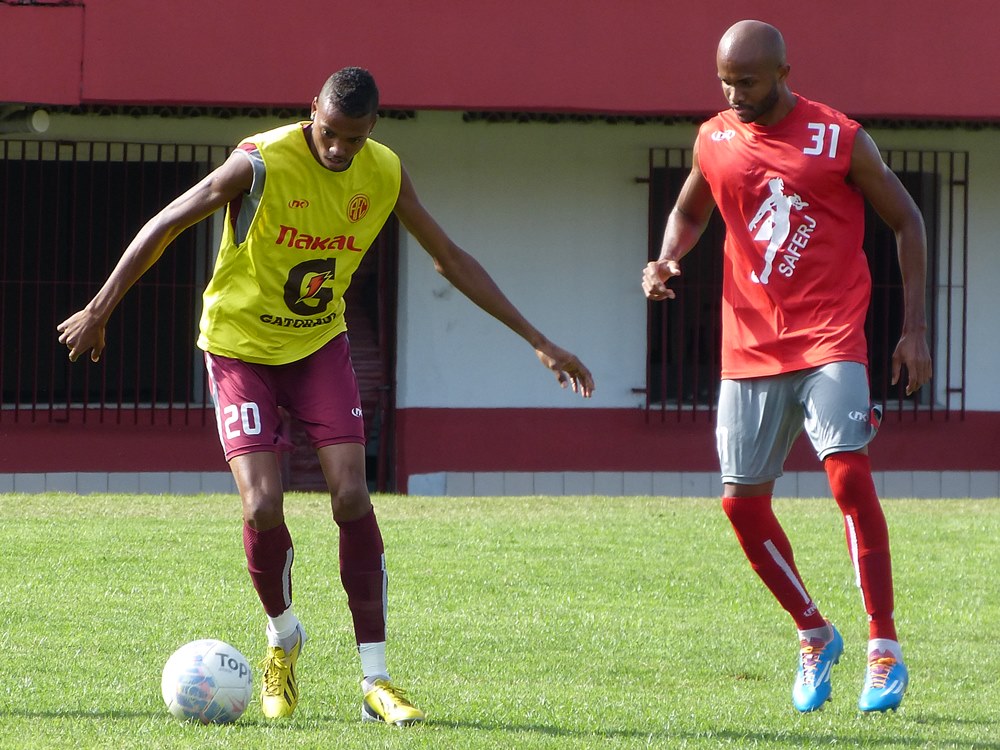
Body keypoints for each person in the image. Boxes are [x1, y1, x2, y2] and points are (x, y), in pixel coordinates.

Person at [58, 67, 595, 726]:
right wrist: (100, 309)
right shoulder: (259, 161)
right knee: (262, 504)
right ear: (312, 110)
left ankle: (376, 680)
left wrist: (538, 340)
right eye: (330, 133)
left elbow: (449, 257)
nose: (339, 149)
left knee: (351, 495)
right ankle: (283, 636)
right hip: (239, 348)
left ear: (373, 128)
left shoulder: (384, 172)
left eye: (354, 138)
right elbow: (169, 222)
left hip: (317, 348)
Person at [642, 20, 931, 713]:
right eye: (725, 82)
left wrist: (914, 330)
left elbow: (908, 220)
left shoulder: (838, 138)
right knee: (741, 505)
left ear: (782, 73)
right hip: (748, 346)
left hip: (831, 337)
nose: (734, 94)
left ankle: (884, 647)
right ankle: (813, 631)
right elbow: (690, 210)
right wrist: (667, 257)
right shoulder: (713, 139)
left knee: (849, 477)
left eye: (747, 82)